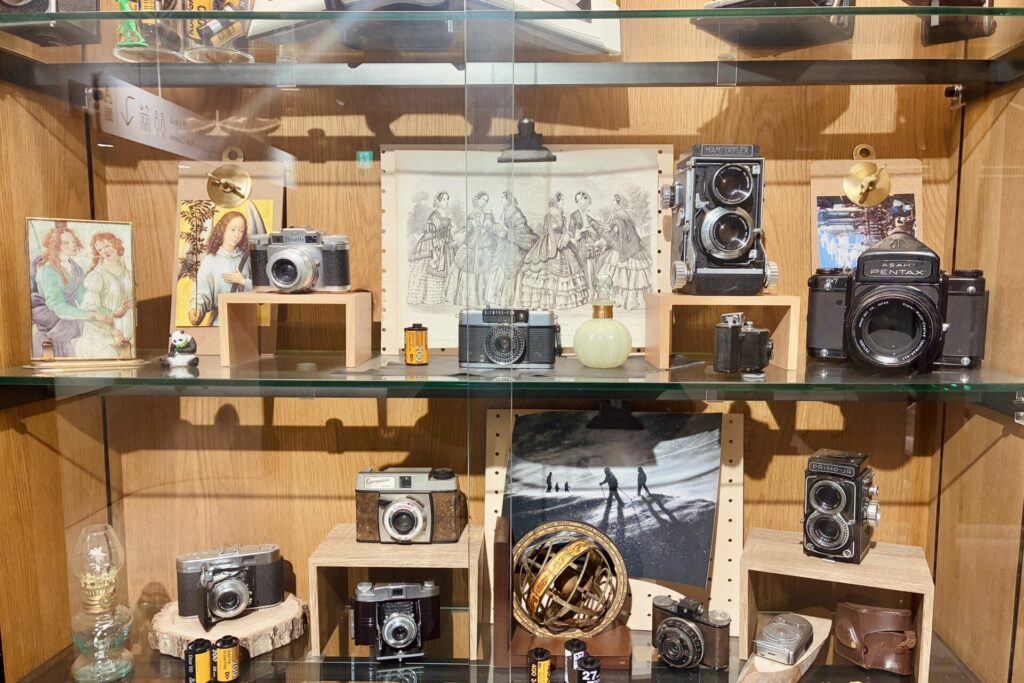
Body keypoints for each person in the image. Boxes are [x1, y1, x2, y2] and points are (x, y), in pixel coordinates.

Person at [32, 222, 111, 358]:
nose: (73, 245)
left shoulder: (76, 268)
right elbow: (58, 308)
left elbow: (84, 299)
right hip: (54, 326)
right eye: (66, 242)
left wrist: (110, 312)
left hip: (73, 319)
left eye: (73, 241)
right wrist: (93, 316)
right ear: (56, 245)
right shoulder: (47, 271)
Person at [516, 192, 589, 309]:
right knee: (549, 271)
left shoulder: (557, 213)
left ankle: (554, 301)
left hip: (555, 240)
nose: (563, 203)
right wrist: (563, 237)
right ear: (557, 201)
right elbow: (553, 229)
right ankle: (551, 301)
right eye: (562, 200)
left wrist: (567, 234)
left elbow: (561, 228)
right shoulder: (553, 213)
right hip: (552, 242)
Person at [189, 211, 250, 326]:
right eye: (233, 229)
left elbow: (259, 290)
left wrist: (243, 281)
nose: (237, 235)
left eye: (241, 231)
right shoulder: (210, 261)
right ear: (223, 229)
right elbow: (201, 293)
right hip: (220, 323)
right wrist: (196, 309)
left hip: (246, 322)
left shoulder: (247, 259)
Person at [81, 232, 135, 355]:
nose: (104, 251)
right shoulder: (96, 276)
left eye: (106, 246)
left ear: (116, 244)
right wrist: (114, 332)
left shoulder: (128, 273)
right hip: (105, 337)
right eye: (100, 249)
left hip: (130, 336)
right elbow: (90, 310)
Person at [596, 194, 652, 310]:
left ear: (618, 203)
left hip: (624, 248)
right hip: (631, 246)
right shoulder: (624, 214)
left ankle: (620, 300)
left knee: (617, 274)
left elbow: (615, 233)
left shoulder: (618, 215)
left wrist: (603, 233)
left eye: (613, 201)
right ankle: (622, 300)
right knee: (621, 275)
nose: (611, 203)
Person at [485, 191, 536, 306]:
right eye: (500, 198)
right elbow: (501, 228)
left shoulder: (516, 212)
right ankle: (493, 296)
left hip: (515, 245)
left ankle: (507, 298)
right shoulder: (504, 212)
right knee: (499, 267)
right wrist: (496, 227)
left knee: (510, 267)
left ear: (508, 199)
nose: (501, 200)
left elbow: (522, 229)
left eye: (502, 198)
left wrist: (508, 231)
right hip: (504, 245)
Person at [408, 192, 455, 305]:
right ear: (438, 201)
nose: (446, 202)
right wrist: (438, 241)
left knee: (448, 267)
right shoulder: (434, 215)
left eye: (447, 199)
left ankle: (443, 297)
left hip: (445, 245)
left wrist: (450, 239)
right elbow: (431, 231)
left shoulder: (448, 214)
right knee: (428, 267)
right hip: (434, 243)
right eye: (444, 199)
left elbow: (450, 231)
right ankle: (428, 297)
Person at [452, 191, 496, 306]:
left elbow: (493, 227)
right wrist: (460, 237)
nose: (484, 202)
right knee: (470, 270)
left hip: (486, 244)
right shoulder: (472, 214)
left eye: (486, 200)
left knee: (486, 270)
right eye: (483, 199)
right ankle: (471, 299)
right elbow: (468, 229)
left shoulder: (489, 213)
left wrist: (492, 230)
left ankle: (485, 297)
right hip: (473, 244)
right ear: (477, 200)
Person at [568, 191, 605, 295]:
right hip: (581, 244)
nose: (579, 202)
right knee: (587, 266)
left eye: (581, 199)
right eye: (577, 200)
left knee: (596, 265)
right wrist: (581, 231)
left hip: (593, 243)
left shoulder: (592, 214)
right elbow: (571, 234)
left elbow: (599, 230)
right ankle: (590, 290)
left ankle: (595, 290)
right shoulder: (574, 216)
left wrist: (596, 236)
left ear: (586, 199)